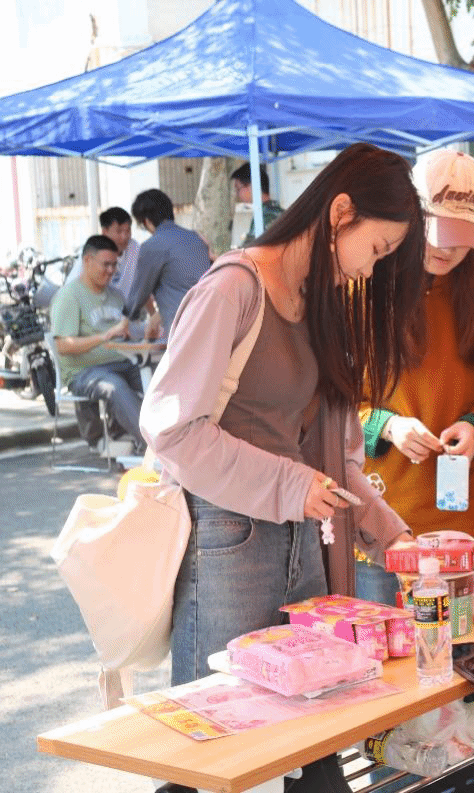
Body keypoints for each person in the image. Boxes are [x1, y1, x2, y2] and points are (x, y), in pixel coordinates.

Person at [139, 143, 426, 793]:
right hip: (227, 541)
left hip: (302, 541)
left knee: (309, 740)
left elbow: (331, 464)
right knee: (221, 748)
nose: (370, 269)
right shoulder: (234, 289)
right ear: (341, 212)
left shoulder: (322, 305)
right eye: (376, 250)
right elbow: (171, 428)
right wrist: (291, 484)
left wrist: (396, 538)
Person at [356, 149, 474, 604]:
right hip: (380, 527)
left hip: (464, 530)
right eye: (437, 232)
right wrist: (388, 426)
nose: (446, 248)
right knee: (387, 651)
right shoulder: (361, 290)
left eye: (461, 237)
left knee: (467, 647)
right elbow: (328, 405)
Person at [50, 234, 146, 454]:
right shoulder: (69, 296)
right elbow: (63, 346)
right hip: (84, 372)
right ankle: (153, 446)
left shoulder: (116, 296)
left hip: (124, 362)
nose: (111, 271)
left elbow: (130, 329)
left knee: (158, 379)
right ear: (87, 261)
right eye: (106, 264)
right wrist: (104, 337)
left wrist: (141, 332)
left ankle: (174, 438)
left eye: (114, 265)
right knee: (115, 387)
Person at [124, 188, 210, 340]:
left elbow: (140, 291)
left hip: (183, 330)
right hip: (211, 319)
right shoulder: (197, 239)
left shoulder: (152, 246)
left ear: (146, 221)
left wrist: (127, 316)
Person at [233, 162, 286, 246]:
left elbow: (249, 250)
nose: (237, 194)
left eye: (238, 188)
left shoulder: (264, 217)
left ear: (252, 186)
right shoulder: (281, 212)